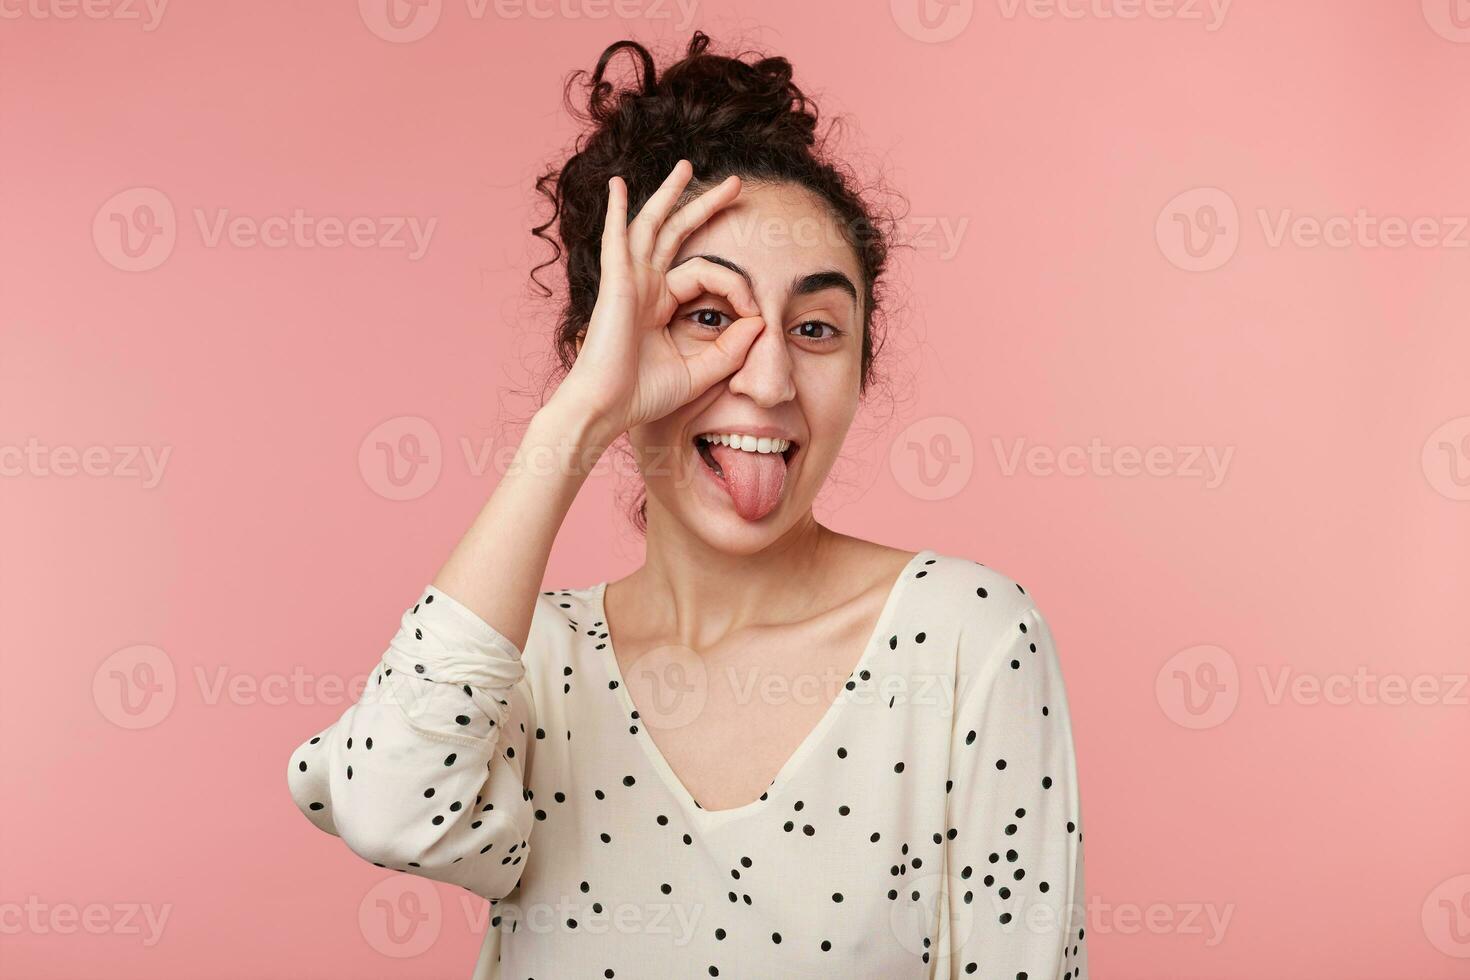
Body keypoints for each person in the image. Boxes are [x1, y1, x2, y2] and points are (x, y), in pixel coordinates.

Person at [287, 31, 1087, 979]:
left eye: (818, 327)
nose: (771, 377)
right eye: (708, 317)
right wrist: (580, 418)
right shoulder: (529, 666)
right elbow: (389, 808)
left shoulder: (967, 641)